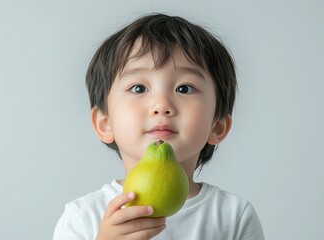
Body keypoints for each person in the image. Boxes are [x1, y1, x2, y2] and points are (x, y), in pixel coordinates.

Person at [53, 13, 265, 239]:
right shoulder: (82, 217)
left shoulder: (233, 216)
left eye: (184, 88)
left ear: (218, 125)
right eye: (138, 88)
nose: (161, 105)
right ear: (105, 123)